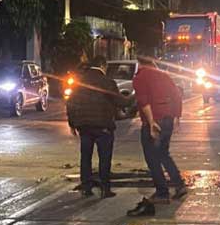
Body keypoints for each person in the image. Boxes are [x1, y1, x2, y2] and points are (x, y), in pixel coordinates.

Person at [66, 54, 123, 199]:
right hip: (103, 125)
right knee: (104, 158)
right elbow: (120, 102)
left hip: (84, 126)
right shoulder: (107, 82)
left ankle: (86, 187)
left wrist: (72, 123)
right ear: (103, 66)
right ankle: (105, 188)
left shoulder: (79, 82)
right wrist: (136, 98)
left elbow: (70, 103)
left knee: (86, 157)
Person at [132, 55, 186, 204]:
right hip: (168, 119)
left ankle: (162, 193)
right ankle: (179, 184)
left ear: (140, 64)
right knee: (163, 154)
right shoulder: (165, 76)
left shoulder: (140, 77)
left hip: (154, 121)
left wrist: (151, 123)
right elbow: (177, 97)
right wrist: (176, 118)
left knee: (152, 158)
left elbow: (144, 102)